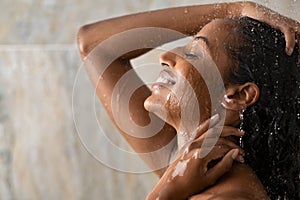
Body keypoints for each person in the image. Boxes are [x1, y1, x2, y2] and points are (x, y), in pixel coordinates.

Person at [77, 1, 300, 199]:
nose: (166, 56)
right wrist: (234, 8)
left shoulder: (230, 195)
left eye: (194, 54)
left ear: (238, 96)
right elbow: (95, 45)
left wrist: (170, 188)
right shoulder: (185, 160)